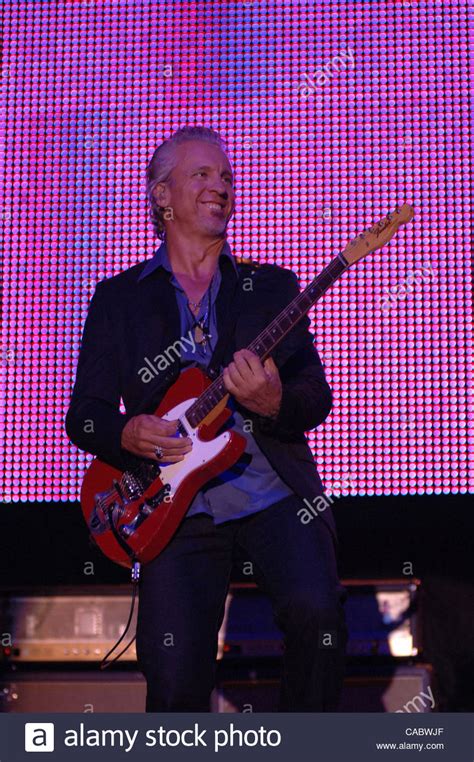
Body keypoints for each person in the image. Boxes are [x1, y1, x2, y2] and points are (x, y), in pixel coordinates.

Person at [66, 125, 347, 712]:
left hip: (271, 494)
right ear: (161, 196)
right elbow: (84, 416)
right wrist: (125, 432)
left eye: (225, 177)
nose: (220, 185)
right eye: (202, 174)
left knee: (318, 616)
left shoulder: (271, 289)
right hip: (172, 507)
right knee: (172, 679)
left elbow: (313, 397)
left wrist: (273, 403)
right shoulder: (118, 299)